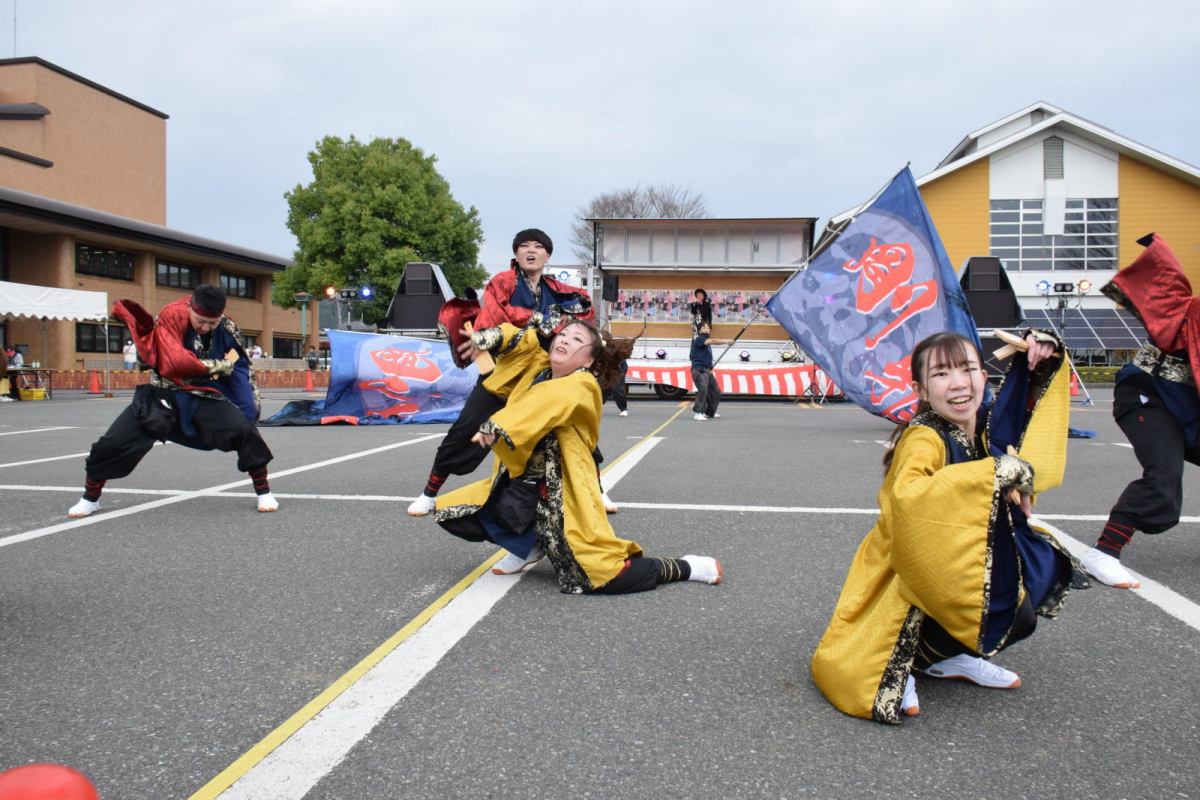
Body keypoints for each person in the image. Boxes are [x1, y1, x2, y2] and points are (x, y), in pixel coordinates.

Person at [811, 329, 1082, 724]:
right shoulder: (924, 436)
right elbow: (908, 497)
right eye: (940, 374)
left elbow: (1021, 420)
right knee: (1004, 606)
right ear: (921, 388)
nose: (957, 383)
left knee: (1033, 577)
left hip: (958, 552)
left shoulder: (983, 423)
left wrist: (1040, 361)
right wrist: (998, 471)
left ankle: (950, 656)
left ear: (983, 377)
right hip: (908, 564)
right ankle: (904, 661)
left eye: (967, 369)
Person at [434, 319, 722, 592]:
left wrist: (498, 425)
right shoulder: (539, 367)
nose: (565, 339)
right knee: (463, 512)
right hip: (521, 486)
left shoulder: (582, 384)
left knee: (603, 575)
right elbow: (523, 340)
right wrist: (490, 337)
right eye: (563, 334)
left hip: (562, 494)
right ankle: (529, 545)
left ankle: (688, 567)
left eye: (577, 339)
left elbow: (548, 400)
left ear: (588, 360)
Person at [407, 228, 597, 516]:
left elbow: (583, 312)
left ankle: (596, 490)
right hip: (503, 374)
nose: (531, 250)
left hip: (542, 376)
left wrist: (560, 320)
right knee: (465, 432)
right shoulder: (502, 282)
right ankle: (430, 492)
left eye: (537, 246)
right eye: (524, 246)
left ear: (547, 255)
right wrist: (539, 319)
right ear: (516, 253)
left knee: (571, 430)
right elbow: (496, 319)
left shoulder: (556, 289)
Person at [67, 284, 278, 518]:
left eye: (212, 322)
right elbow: (175, 363)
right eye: (200, 320)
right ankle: (90, 498)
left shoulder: (226, 326)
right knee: (112, 443)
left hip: (201, 394)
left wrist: (245, 404)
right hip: (161, 393)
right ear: (190, 307)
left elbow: (238, 362)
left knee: (244, 431)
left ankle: (264, 492)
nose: (206, 327)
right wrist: (218, 365)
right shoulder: (171, 316)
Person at [1080, 234, 1200, 589]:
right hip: (1146, 394)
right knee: (1164, 472)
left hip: (1185, 404)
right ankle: (1103, 553)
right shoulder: (1195, 313)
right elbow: (1167, 294)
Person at [690, 321, 735, 421]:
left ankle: (709, 412)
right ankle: (698, 412)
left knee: (716, 391)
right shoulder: (699, 339)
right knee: (703, 390)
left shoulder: (707, 344)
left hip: (706, 370)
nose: (706, 329)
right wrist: (727, 341)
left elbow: (706, 356)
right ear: (699, 331)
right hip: (699, 369)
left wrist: (710, 368)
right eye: (703, 328)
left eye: (707, 328)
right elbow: (714, 341)